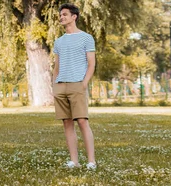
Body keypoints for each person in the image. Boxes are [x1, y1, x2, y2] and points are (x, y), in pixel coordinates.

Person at [52, 3, 97, 170]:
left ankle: (91, 161)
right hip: (61, 86)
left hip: (78, 84)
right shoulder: (59, 41)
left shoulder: (86, 38)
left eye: (64, 14)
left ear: (74, 17)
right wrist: (54, 86)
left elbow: (91, 64)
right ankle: (74, 161)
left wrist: (84, 84)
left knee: (83, 122)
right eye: (60, 15)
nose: (61, 17)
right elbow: (56, 67)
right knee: (67, 123)